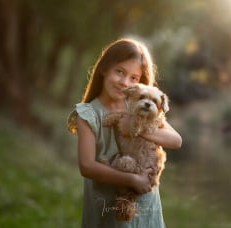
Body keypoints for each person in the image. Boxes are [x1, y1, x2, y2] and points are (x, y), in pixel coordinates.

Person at [67, 38, 182, 227]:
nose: (124, 82)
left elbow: (176, 141)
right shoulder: (88, 113)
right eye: (119, 72)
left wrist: (136, 129)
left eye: (133, 78)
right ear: (104, 69)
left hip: (145, 205)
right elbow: (86, 166)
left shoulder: (139, 106)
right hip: (107, 207)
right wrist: (132, 179)